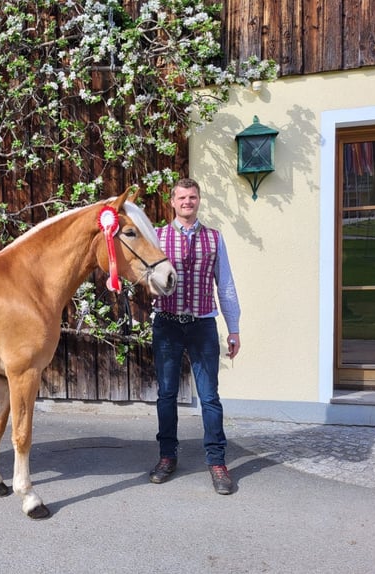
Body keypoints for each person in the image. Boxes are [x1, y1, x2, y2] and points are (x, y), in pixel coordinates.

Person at [149, 177, 241, 495]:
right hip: (167, 324)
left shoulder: (214, 239)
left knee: (210, 396)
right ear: (172, 202)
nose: (187, 201)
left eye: (193, 197)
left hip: (202, 324)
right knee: (166, 395)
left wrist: (234, 328)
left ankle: (217, 462)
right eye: (182, 197)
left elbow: (225, 285)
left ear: (199, 200)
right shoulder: (157, 237)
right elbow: (146, 278)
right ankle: (167, 457)